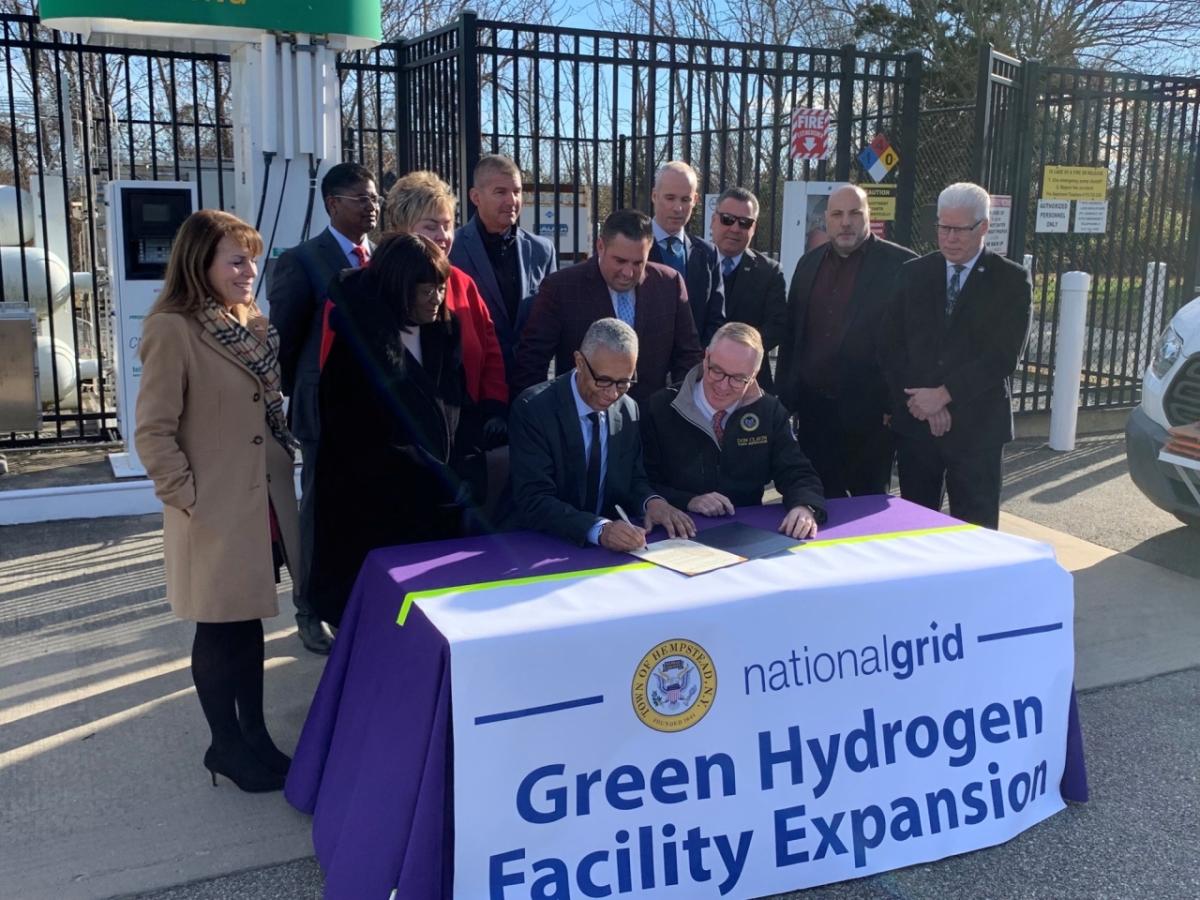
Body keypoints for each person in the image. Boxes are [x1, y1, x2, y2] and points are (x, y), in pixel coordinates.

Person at [136, 209, 300, 793]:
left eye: (252, 257)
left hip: (257, 504)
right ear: (199, 264)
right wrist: (190, 499)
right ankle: (224, 746)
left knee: (245, 623)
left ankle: (254, 737)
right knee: (217, 628)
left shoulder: (247, 322)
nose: (249, 269)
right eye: (236, 259)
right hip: (214, 510)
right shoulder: (173, 329)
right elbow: (153, 431)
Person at [309, 233, 471, 626]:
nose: (437, 297)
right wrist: (438, 477)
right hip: (374, 513)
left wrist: (466, 465)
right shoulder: (357, 338)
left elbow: (457, 404)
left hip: (435, 508)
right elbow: (358, 436)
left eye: (442, 286)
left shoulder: (442, 330)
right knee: (380, 626)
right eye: (426, 288)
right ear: (399, 286)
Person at [267, 161, 378, 654]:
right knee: (317, 513)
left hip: (374, 412)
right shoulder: (302, 260)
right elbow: (284, 344)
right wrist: (306, 395)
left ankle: (357, 602)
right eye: (362, 199)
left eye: (375, 198)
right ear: (333, 204)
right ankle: (309, 610)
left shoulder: (381, 257)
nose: (373, 207)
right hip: (324, 412)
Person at [881, 182, 1033, 529]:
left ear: (983, 227)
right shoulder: (913, 273)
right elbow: (890, 345)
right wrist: (922, 402)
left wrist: (945, 395)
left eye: (959, 229)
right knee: (915, 528)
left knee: (975, 531)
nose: (949, 237)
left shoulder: (1010, 280)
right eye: (942, 227)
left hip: (977, 428)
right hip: (917, 422)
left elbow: (1003, 356)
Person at [776, 183, 916, 498]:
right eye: (837, 214)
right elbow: (794, 335)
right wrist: (786, 399)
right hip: (814, 415)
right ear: (826, 219)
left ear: (869, 216)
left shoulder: (902, 266)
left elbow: (913, 342)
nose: (846, 222)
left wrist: (896, 404)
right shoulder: (808, 264)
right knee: (816, 501)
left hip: (872, 418)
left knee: (866, 510)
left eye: (855, 213)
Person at [509, 317, 696, 549]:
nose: (612, 394)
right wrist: (598, 529)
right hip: (539, 544)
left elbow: (633, 480)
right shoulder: (535, 409)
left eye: (624, 383)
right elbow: (534, 500)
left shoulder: (628, 409)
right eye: (603, 380)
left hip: (606, 550)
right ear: (579, 361)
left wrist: (652, 503)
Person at [642, 322, 826, 539]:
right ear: (706, 357)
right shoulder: (660, 407)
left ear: (755, 374)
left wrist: (805, 506)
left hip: (747, 535)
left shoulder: (769, 411)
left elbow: (797, 471)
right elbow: (640, 482)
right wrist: (688, 500)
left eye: (738, 379)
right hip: (676, 534)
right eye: (716, 371)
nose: (722, 385)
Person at [512, 209, 703, 405]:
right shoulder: (561, 288)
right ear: (600, 246)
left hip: (650, 422)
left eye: (638, 263)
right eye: (619, 261)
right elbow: (532, 362)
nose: (628, 272)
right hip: (583, 422)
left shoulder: (669, 284)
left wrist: (677, 410)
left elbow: (687, 356)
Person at [383, 169, 508, 433]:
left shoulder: (463, 284)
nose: (443, 235)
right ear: (402, 227)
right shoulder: (364, 286)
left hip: (462, 433)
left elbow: (490, 352)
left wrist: (493, 408)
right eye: (430, 226)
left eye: (448, 224)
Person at [448, 154, 557, 385]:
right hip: (473, 386)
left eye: (517, 191)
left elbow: (550, 322)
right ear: (475, 197)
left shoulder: (542, 250)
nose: (512, 200)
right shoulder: (452, 250)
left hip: (530, 384)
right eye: (500, 192)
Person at [709, 186, 788, 393]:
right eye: (727, 219)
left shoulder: (769, 272)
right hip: (698, 376)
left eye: (745, 223)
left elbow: (777, 325)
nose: (735, 228)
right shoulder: (693, 263)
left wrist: (738, 354)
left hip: (749, 382)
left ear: (753, 228)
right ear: (713, 220)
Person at [647, 160, 726, 343]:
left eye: (685, 199)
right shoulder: (632, 250)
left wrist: (698, 362)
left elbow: (715, 320)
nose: (677, 208)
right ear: (654, 195)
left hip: (694, 366)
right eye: (670, 198)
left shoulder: (708, 254)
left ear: (695, 200)